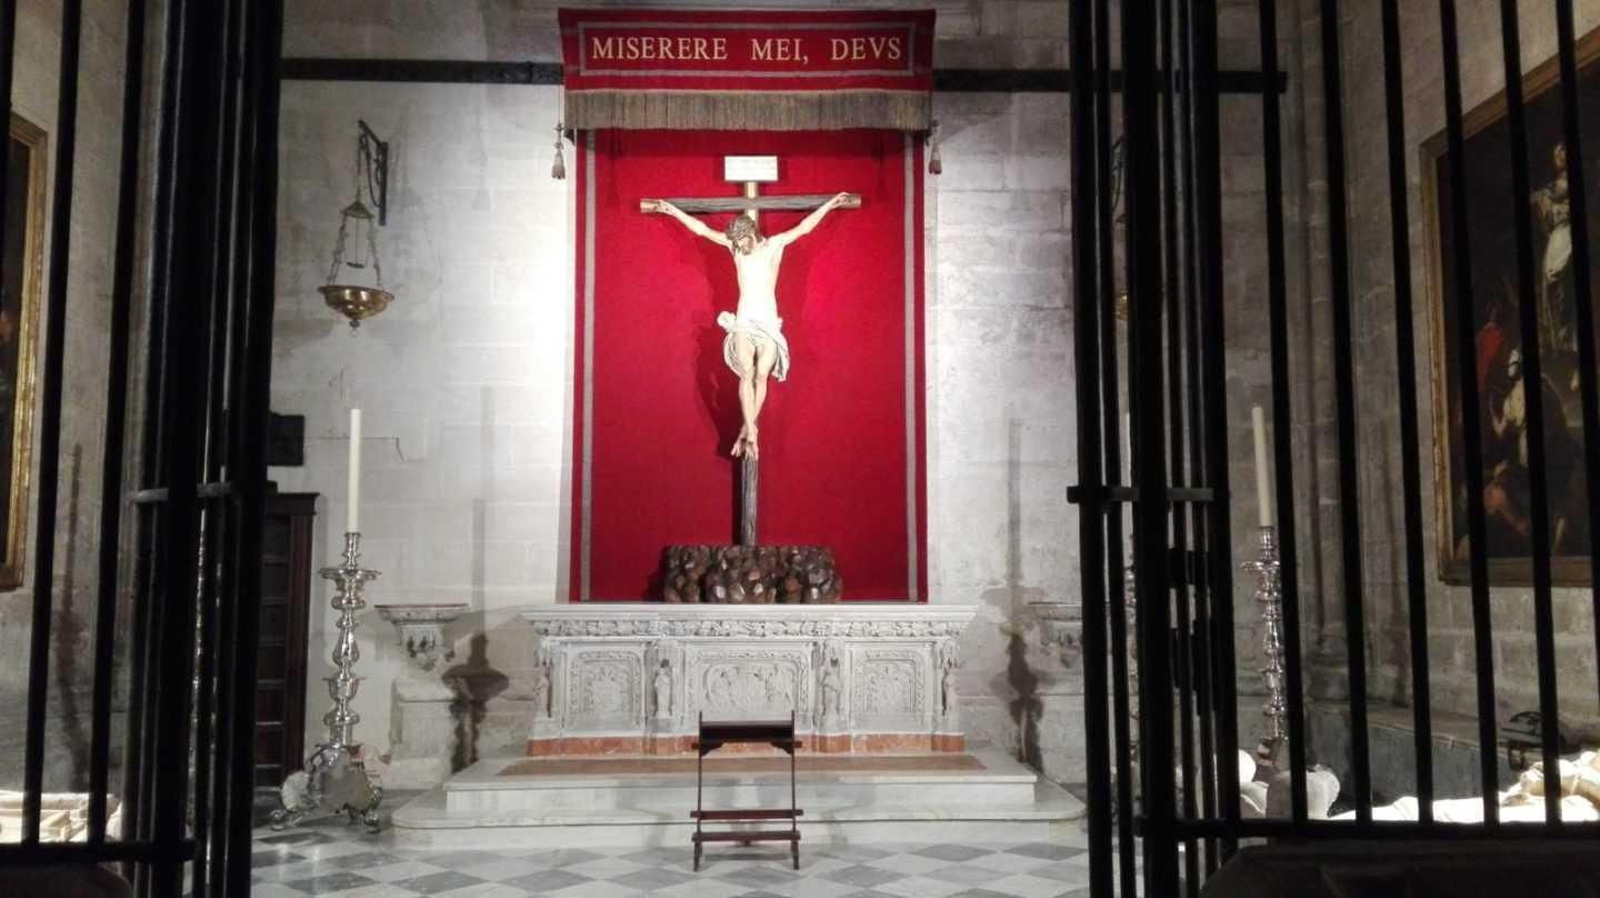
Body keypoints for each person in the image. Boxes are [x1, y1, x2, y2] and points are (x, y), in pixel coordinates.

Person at [648, 192, 852, 459]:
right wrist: (673, 211)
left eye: (740, 240)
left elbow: (804, 228)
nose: (737, 245)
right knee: (746, 373)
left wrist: (830, 205)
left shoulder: (774, 246)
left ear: (751, 233)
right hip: (744, 319)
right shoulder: (735, 249)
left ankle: (748, 429)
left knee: (760, 376)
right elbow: (702, 230)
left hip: (767, 320)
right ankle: (752, 433)